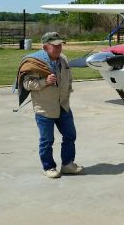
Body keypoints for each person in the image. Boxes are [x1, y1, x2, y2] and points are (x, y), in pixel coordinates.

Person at [19, 31, 84, 178]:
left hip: (63, 105)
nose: (59, 47)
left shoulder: (63, 59)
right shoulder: (34, 63)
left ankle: (67, 164)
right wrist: (45, 82)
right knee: (47, 140)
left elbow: (68, 77)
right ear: (45, 47)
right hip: (45, 108)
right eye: (55, 45)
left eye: (60, 44)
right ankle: (49, 167)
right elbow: (26, 83)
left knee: (70, 135)